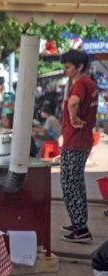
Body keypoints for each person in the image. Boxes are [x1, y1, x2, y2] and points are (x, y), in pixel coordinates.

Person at [59, 49, 98, 243]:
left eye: (68, 67)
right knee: (77, 183)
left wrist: (73, 118)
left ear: (79, 67)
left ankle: (81, 229)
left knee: (70, 184)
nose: (65, 70)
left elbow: (73, 102)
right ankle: (78, 222)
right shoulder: (90, 83)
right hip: (82, 140)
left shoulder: (81, 84)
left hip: (75, 140)